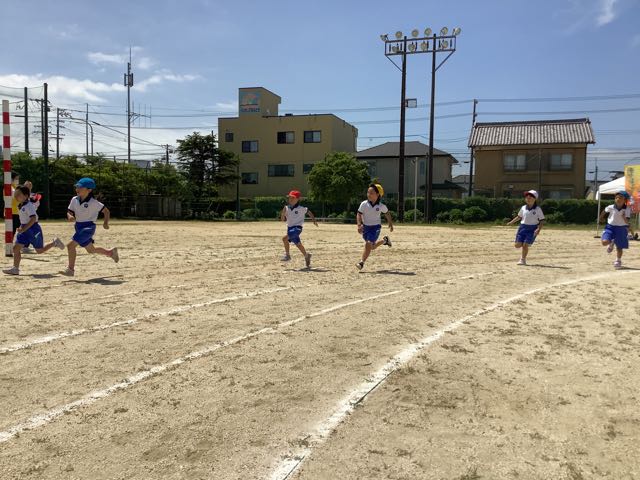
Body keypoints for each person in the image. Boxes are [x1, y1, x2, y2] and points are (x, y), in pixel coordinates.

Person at [60, 177, 119, 276]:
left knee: (70, 246)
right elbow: (69, 211)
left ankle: (70, 270)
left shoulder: (93, 202)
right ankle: (110, 253)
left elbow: (106, 211)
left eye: (80, 187)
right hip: (78, 227)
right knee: (91, 250)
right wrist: (70, 216)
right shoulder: (74, 199)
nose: (77, 189)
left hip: (88, 228)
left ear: (89, 190)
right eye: (77, 187)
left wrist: (105, 223)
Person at [2, 185, 64, 275]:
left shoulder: (29, 205)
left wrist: (24, 229)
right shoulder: (21, 205)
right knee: (16, 249)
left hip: (33, 229)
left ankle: (54, 242)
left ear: (26, 196)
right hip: (24, 229)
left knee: (40, 250)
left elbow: (33, 219)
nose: (16, 196)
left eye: (18, 194)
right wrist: (22, 228)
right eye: (15, 194)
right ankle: (15, 268)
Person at [356, 183, 393, 271]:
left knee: (368, 244)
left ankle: (361, 263)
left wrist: (390, 223)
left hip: (375, 227)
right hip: (366, 228)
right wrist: (359, 225)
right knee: (371, 247)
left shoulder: (381, 206)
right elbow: (359, 214)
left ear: (378, 194)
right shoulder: (364, 204)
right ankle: (385, 240)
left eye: (371, 193)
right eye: (368, 192)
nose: (369, 194)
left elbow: (387, 213)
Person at [280, 190, 317, 268]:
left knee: (284, 239)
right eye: (289, 197)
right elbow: (282, 219)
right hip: (289, 228)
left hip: (297, 228)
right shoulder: (286, 208)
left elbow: (309, 212)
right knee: (298, 244)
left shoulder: (301, 208)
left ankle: (287, 255)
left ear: (298, 199)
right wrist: (282, 215)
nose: (290, 199)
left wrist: (314, 220)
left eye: (293, 198)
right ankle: (306, 256)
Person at [506, 190, 545, 266]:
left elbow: (542, 220)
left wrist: (538, 229)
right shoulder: (523, 207)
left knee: (525, 245)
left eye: (530, 197)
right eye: (527, 197)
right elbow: (519, 217)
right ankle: (525, 243)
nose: (528, 199)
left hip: (532, 229)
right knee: (517, 245)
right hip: (522, 228)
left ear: (535, 199)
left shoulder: (538, 209)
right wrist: (511, 222)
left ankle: (523, 259)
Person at [600, 190, 634, 269]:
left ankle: (618, 260)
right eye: (616, 197)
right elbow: (604, 211)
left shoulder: (627, 209)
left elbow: (627, 222)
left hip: (621, 228)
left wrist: (623, 217)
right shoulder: (611, 207)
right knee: (604, 243)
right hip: (610, 227)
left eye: (620, 197)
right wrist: (600, 218)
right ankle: (611, 242)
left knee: (619, 247)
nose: (618, 199)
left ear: (625, 200)